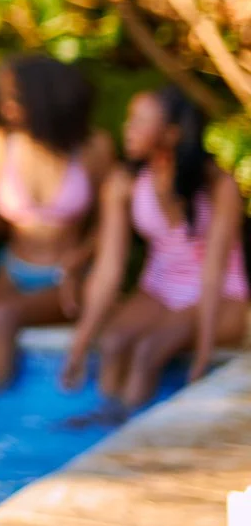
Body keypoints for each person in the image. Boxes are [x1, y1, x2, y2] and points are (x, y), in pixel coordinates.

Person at [61, 87, 248, 423]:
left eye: (140, 121)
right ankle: (103, 425)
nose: (128, 128)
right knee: (114, 341)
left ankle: (126, 425)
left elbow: (214, 270)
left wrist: (203, 353)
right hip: (160, 287)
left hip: (220, 293)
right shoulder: (124, 182)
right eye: (129, 120)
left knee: (149, 350)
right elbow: (108, 269)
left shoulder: (218, 186)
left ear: (172, 133)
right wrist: (80, 345)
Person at [0, 56, 113, 399]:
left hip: (66, 275)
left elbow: (109, 223)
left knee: (3, 317)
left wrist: (81, 258)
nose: (6, 105)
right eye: (3, 96)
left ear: (45, 95)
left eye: (16, 97)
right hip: (13, 269)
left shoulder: (93, 146)